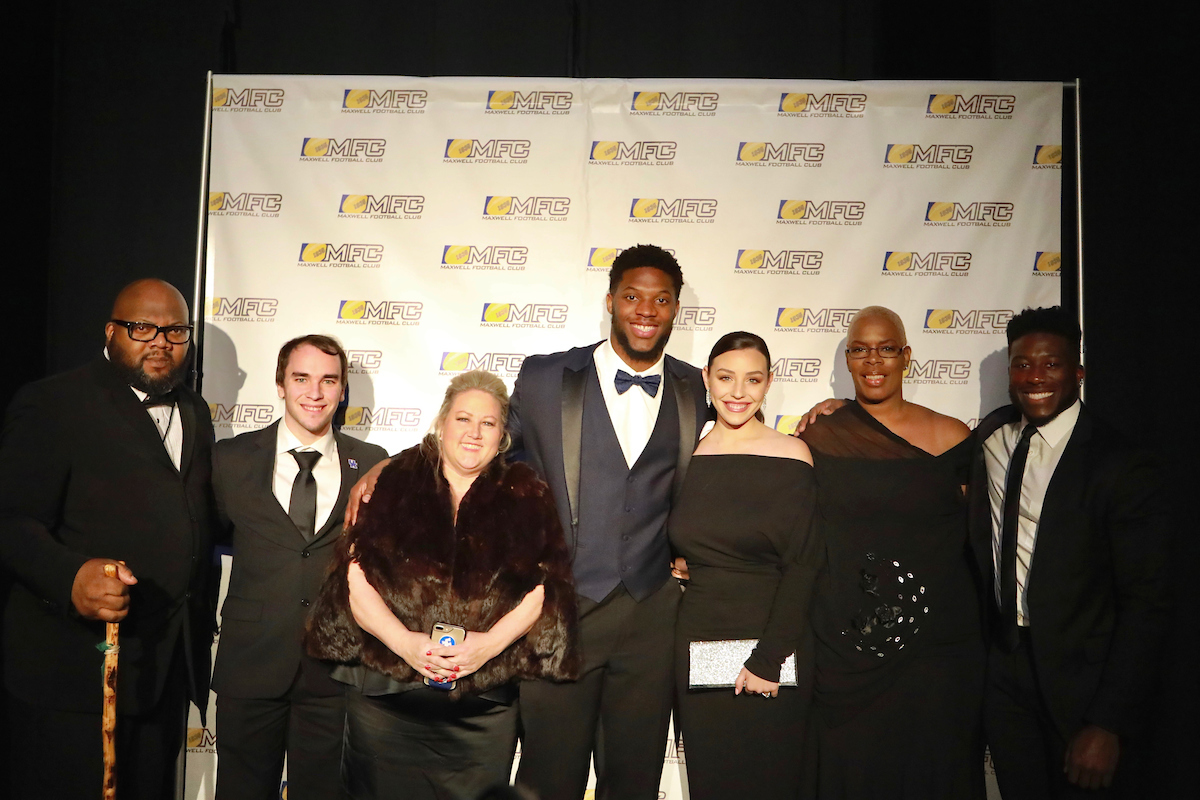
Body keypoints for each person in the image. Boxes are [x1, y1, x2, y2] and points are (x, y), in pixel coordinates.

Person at [345, 245, 709, 800]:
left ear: (676, 309)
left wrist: (826, 414)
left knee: (634, 779)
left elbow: (741, 434)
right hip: (560, 611)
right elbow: (478, 440)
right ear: (610, 301)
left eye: (661, 299)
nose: (646, 310)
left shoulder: (693, 387)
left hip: (652, 613)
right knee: (548, 777)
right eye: (633, 296)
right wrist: (390, 467)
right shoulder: (546, 379)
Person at [304, 370, 580, 800]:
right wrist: (404, 643)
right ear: (441, 422)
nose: (474, 433)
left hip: (483, 705)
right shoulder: (391, 480)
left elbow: (545, 588)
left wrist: (484, 647)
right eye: (463, 419)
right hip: (385, 698)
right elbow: (353, 576)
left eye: (488, 423)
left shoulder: (528, 493)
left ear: (502, 434)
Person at [0, 278, 218, 798]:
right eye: (142, 327)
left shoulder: (196, 410)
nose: (160, 341)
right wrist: (69, 575)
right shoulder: (53, 402)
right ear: (111, 331)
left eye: (175, 330)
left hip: (163, 674)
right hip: (73, 675)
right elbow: (9, 519)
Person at [969, 306, 1169, 798]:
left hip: (1083, 689)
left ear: (1077, 372)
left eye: (1051, 364)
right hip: (1005, 675)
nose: (1035, 377)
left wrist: (1108, 722)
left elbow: (1149, 601)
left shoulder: (1118, 463)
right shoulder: (990, 440)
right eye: (1021, 364)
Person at [795, 305, 985, 799]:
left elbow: (981, 544)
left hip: (937, 654)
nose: (872, 360)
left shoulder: (956, 437)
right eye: (859, 349)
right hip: (847, 651)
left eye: (885, 349)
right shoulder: (820, 435)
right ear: (848, 359)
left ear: (906, 356)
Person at [211, 335, 388, 800]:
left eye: (328, 380)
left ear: (343, 389)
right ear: (280, 384)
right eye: (301, 378)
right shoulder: (230, 460)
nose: (315, 392)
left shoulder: (372, 464)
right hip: (250, 665)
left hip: (334, 671)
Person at [667, 332, 821, 799]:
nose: (738, 392)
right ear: (706, 380)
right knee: (714, 783)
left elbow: (805, 563)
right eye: (726, 378)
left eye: (752, 379)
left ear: (769, 383)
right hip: (698, 639)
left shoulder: (793, 453)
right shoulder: (683, 455)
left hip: (776, 644)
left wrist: (768, 660)